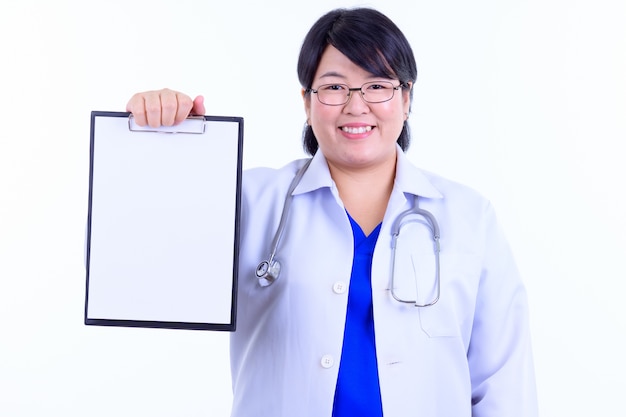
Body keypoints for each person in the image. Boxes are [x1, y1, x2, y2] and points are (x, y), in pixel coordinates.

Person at [126, 7, 538, 417]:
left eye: (377, 86)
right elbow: (142, 267)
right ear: (306, 102)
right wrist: (167, 145)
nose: (357, 106)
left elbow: (503, 385)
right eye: (334, 88)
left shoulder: (469, 218)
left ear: (407, 98)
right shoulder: (248, 202)